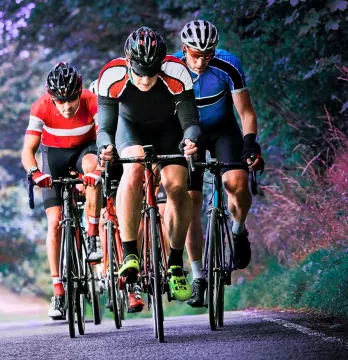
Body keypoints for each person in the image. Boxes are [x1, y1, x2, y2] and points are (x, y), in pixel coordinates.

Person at [96, 27, 201, 302]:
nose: (145, 80)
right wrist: (105, 148)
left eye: (152, 73)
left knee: (177, 186)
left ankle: (176, 264)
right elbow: (105, 127)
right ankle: (130, 253)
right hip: (129, 129)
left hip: (169, 131)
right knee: (133, 169)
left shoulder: (177, 71)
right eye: (140, 72)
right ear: (128, 63)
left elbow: (190, 123)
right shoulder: (111, 74)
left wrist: (190, 141)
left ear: (161, 65)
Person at [173, 20, 265, 307]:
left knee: (234, 182)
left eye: (208, 54)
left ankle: (238, 231)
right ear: (184, 48)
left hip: (223, 130)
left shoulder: (228, 64)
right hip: (188, 135)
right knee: (189, 202)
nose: (201, 61)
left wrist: (250, 143)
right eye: (195, 54)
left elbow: (246, 112)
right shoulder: (172, 69)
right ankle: (199, 276)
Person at [22, 62, 103, 319]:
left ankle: (92, 236)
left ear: (80, 92)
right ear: (51, 97)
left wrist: (99, 170)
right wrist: (36, 174)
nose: (66, 106)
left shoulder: (92, 101)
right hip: (53, 157)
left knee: (92, 168)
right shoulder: (41, 107)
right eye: (60, 100)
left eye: (71, 99)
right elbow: (28, 150)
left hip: (85, 151)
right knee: (55, 222)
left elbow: (105, 137)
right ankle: (58, 292)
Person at [90, 80, 146, 313]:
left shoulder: (122, 110)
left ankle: (133, 282)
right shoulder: (90, 116)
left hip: (124, 163)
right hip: (102, 167)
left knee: (134, 218)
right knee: (105, 216)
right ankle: (105, 267)